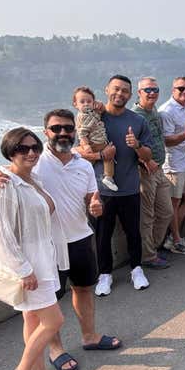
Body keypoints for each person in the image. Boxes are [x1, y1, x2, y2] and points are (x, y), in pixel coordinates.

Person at [0, 111, 122, 370]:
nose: (62, 133)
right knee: (47, 305)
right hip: (49, 246)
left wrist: (95, 203)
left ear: (75, 130)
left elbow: (91, 195)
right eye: (55, 128)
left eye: (68, 128)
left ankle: (89, 336)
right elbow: (9, 176)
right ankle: (55, 350)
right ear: (46, 131)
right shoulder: (37, 163)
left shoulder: (82, 163)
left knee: (83, 289)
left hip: (80, 236)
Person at [0, 127, 71, 370]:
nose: (31, 152)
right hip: (29, 267)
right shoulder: (3, 185)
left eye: (35, 147)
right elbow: (1, 233)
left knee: (33, 320)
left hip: (42, 260)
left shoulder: (33, 179)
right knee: (53, 321)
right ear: (10, 152)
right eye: (23, 149)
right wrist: (23, 270)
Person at [76, 74, 153, 294]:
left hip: (129, 188)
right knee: (102, 236)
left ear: (130, 95)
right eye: (116, 89)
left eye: (125, 91)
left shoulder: (138, 121)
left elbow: (148, 155)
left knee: (133, 233)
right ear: (107, 90)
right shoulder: (92, 116)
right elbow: (77, 152)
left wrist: (136, 145)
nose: (120, 94)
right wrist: (102, 155)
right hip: (99, 190)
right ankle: (105, 274)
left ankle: (136, 269)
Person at [132, 77, 174, 269]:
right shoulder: (134, 116)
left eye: (155, 89)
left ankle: (153, 248)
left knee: (166, 212)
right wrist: (145, 161)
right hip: (145, 172)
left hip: (159, 170)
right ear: (138, 92)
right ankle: (148, 256)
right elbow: (129, 145)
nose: (152, 93)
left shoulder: (154, 110)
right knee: (147, 216)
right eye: (147, 90)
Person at [159, 76, 185, 255]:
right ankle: (176, 241)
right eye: (180, 88)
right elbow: (167, 141)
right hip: (173, 166)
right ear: (172, 90)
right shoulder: (166, 111)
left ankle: (173, 236)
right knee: (174, 205)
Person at [73, 86, 117, 192]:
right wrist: (86, 145)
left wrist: (100, 106)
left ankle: (84, 181)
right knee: (109, 156)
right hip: (95, 143)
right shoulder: (81, 117)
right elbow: (81, 133)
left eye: (89, 101)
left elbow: (101, 111)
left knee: (88, 165)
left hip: (98, 143)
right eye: (82, 102)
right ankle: (108, 177)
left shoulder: (92, 112)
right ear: (75, 105)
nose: (86, 104)